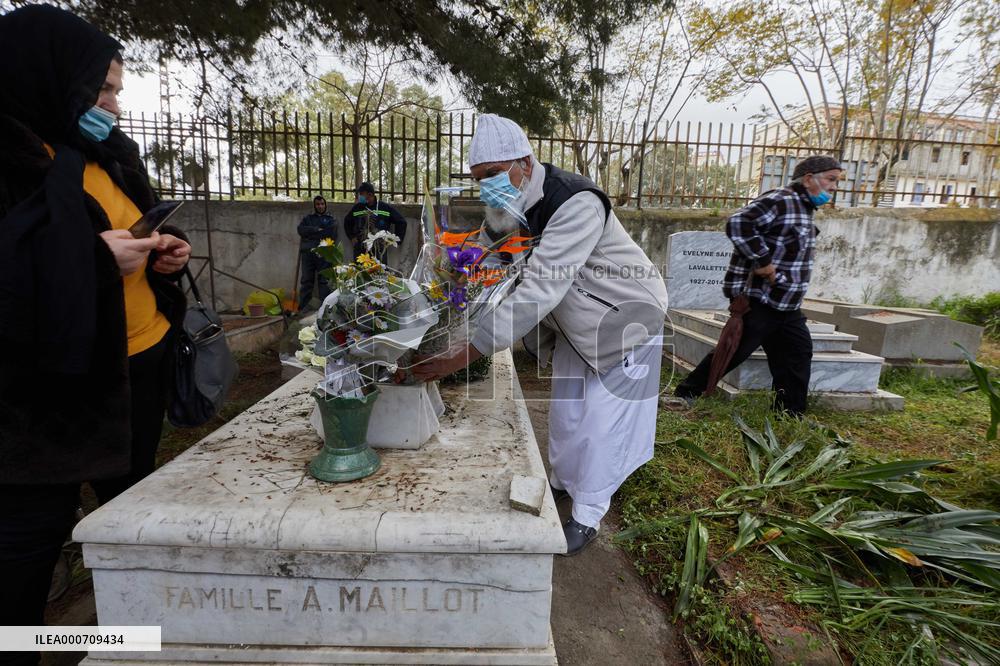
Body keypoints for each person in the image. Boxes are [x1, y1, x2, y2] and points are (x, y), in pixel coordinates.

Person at [0, 4, 190, 649]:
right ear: (49, 74)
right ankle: (28, 646)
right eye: (102, 86)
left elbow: (128, 224)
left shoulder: (106, 152)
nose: (110, 103)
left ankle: (128, 642)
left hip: (136, 363)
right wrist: (94, 261)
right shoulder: (9, 158)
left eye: (115, 89)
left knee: (128, 517)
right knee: (28, 546)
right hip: (43, 400)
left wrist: (165, 252)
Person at [412, 114, 668, 556]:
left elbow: (537, 292)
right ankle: (563, 483)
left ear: (525, 164)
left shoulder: (575, 202)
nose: (486, 186)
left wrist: (459, 356)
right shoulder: (511, 207)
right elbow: (489, 261)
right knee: (567, 415)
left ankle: (588, 516)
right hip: (577, 324)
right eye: (478, 180)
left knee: (602, 424)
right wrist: (447, 288)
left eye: (492, 174)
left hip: (625, 320)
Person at [674, 155, 844, 416]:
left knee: (797, 354)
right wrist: (763, 263)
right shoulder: (781, 200)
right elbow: (739, 223)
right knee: (733, 351)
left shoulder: (803, 207)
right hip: (762, 299)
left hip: (787, 304)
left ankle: (790, 414)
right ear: (809, 178)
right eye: (831, 180)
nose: (834, 187)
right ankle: (686, 394)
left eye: (836, 181)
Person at [344, 182, 407, 264]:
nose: (359, 196)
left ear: (370, 194)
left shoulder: (384, 208)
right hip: (360, 249)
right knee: (360, 274)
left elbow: (401, 222)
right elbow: (347, 221)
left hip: (379, 249)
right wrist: (351, 237)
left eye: (361, 194)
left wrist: (395, 240)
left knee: (379, 274)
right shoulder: (358, 208)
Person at [297, 195, 336, 312]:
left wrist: (311, 233)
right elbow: (301, 230)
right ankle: (303, 307)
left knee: (324, 280)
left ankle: (324, 308)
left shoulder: (330, 219)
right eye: (318, 204)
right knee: (306, 280)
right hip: (308, 253)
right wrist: (316, 230)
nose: (320, 206)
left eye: (322, 204)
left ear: (325, 205)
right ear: (315, 205)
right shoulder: (308, 218)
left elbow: (330, 234)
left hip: (324, 253)